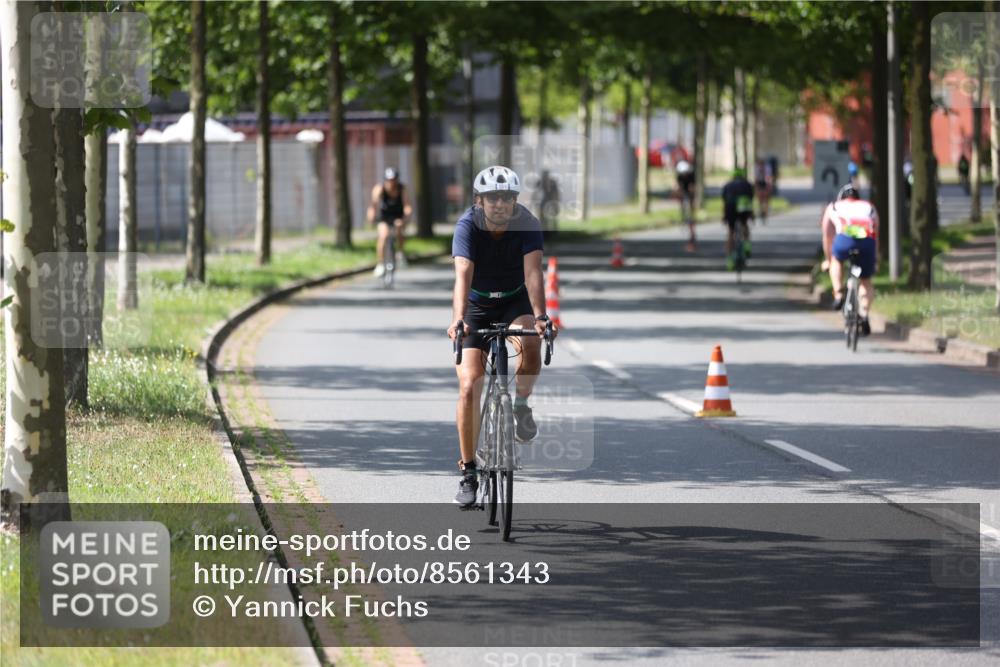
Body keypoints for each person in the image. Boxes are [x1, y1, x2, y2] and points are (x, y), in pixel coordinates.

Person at [447, 166, 556, 506]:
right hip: (476, 306)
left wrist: (539, 316)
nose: (500, 204)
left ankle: (521, 405)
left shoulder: (527, 223)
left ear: (515, 202)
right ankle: (468, 471)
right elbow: (463, 273)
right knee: (469, 384)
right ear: (478, 201)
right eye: (492, 198)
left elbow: (533, 271)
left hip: (514, 300)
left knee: (530, 344)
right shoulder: (467, 226)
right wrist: (459, 319)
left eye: (507, 198)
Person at [821, 184, 879, 336]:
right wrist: (875, 258)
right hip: (867, 240)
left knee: (836, 260)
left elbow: (827, 235)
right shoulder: (869, 206)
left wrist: (828, 259)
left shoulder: (834, 206)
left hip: (845, 239)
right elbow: (876, 231)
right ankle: (865, 314)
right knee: (866, 280)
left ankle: (839, 294)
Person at [366, 167, 412, 277]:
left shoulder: (402, 189)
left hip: (398, 216)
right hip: (384, 217)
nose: (391, 183)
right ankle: (380, 264)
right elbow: (373, 205)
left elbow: (407, 206)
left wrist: (406, 216)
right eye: (389, 180)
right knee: (383, 236)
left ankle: (400, 253)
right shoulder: (379, 189)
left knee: (399, 230)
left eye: (393, 180)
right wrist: (371, 216)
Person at [721, 167, 755, 268]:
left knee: (731, 232)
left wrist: (724, 216)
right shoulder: (747, 184)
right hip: (743, 205)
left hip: (730, 207)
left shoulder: (727, 185)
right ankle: (747, 245)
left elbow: (724, 202)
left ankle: (729, 260)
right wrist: (752, 214)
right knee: (744, 224)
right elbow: (750, 200)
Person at [675, 160, 697, 251]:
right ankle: (683, 213)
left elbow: (692, 187)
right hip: (684, 188)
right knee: (681, 198)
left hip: (689, 188)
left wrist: (692, 196)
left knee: (691, 199)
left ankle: (691, 213)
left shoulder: (691, 175)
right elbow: (679, 186)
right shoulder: (679, 176)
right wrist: (679, 194)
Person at [753, 158, 773, 224]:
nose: (760, 164)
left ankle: (766, 211)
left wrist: (769, 187)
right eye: (759, 163)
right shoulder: (756, 168)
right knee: (760, 198)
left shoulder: (767, 168)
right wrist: (756, 188)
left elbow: (769, 178)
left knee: (766, 199)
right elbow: (756, 179)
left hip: (766, 183)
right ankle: (761, 210)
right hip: (759, 182)